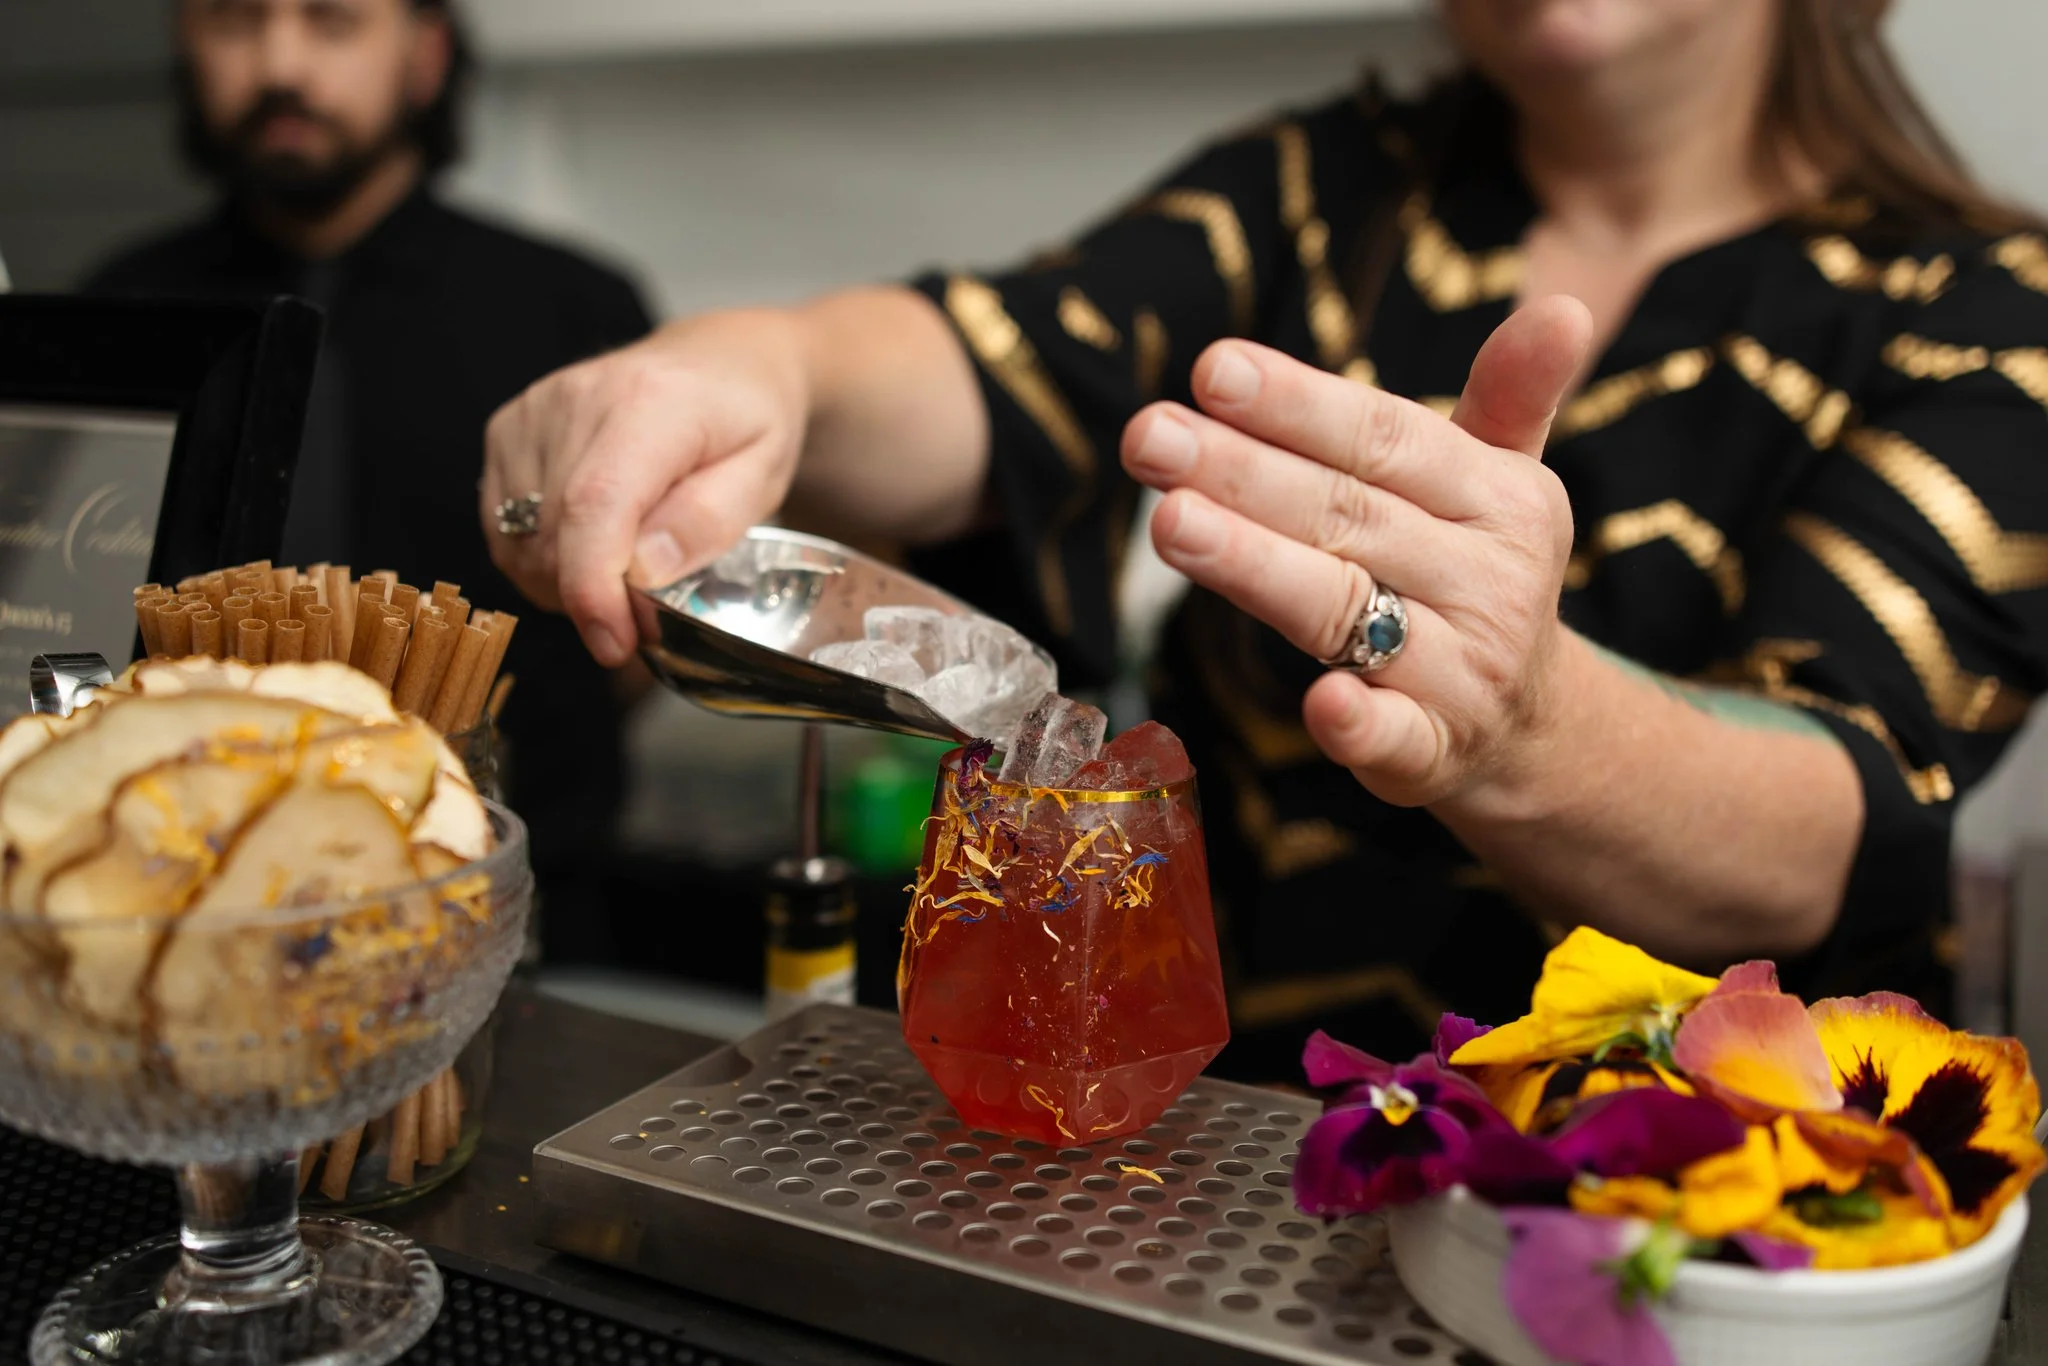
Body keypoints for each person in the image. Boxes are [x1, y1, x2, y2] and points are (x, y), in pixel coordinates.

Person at [481, 0, 2048, 1077]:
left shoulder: (1984, 315)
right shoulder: (1323, 197)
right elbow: (999, 359)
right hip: (1237, 1175)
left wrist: (1528, 721)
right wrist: (760, 365)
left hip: (1688, 1240)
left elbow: (1834, 810)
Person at [85, 0, 654, 959]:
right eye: (234, 21)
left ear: (425, 56)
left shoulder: (572, 310)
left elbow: (634, 643)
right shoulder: (117, 312)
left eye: (332, 21)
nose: (279, 64)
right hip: (175, 924)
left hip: (525, 927)